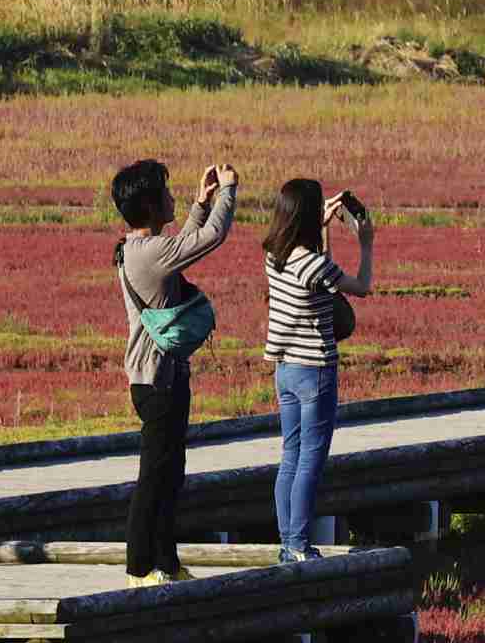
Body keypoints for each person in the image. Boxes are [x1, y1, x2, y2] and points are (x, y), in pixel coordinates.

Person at [110, 156, 235, 586]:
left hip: (165, 377)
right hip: (155, 381)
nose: (171, 198)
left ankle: (166, 561)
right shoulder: (149, 254)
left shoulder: (142, 249)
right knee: (154, 477)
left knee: (171, 472)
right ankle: (138, 568)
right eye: (165, 194)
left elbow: (183, 245)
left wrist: (202, 202)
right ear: (148, 205)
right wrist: (230, 192)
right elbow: (210, 238)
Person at [260, 177, 375, 563]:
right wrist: (366, 242)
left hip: (285, 368)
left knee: (290, 455)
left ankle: (287, 544)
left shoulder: (274, 255)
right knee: (311, 458)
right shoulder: (314, 264)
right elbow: (360, 287)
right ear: (309, 217)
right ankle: (299, 545)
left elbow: (316, 275)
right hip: (316, 371)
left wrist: (323, 229)